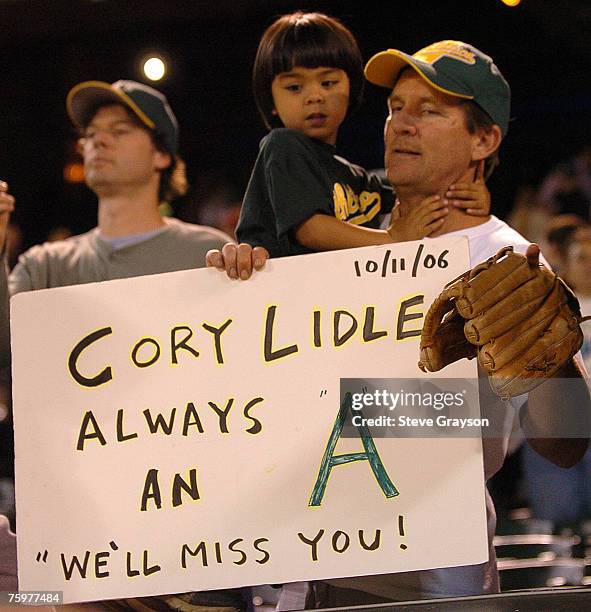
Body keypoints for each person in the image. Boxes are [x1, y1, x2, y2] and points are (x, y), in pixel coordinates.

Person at [208, 40, 591, 605]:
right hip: (307, 566)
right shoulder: (350, 237)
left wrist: (550, 357)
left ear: (483, 140)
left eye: (429, 111)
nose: (400, 125)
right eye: (395, 107)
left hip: (430, 577)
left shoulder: (504, 258)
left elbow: (567, 444)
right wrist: (234, 283)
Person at [0, 81, 247, 611]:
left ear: (162, 154)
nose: (97, 144)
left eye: (119, 132)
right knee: (21, 603)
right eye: (89, 135)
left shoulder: (209, 254)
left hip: (193, 548)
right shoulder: (44, 265)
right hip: (75, 547)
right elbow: (6, 365)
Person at [235, 12, 490, 267]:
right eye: (294, 87)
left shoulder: (353, 178)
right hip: (282, 301)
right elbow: (311, 230)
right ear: (271, 102)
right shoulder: (282, 146)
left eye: (328, 82)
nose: (315, 96)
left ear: (351, 88)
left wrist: (467, 196)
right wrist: (391, 238)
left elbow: (414, 191)